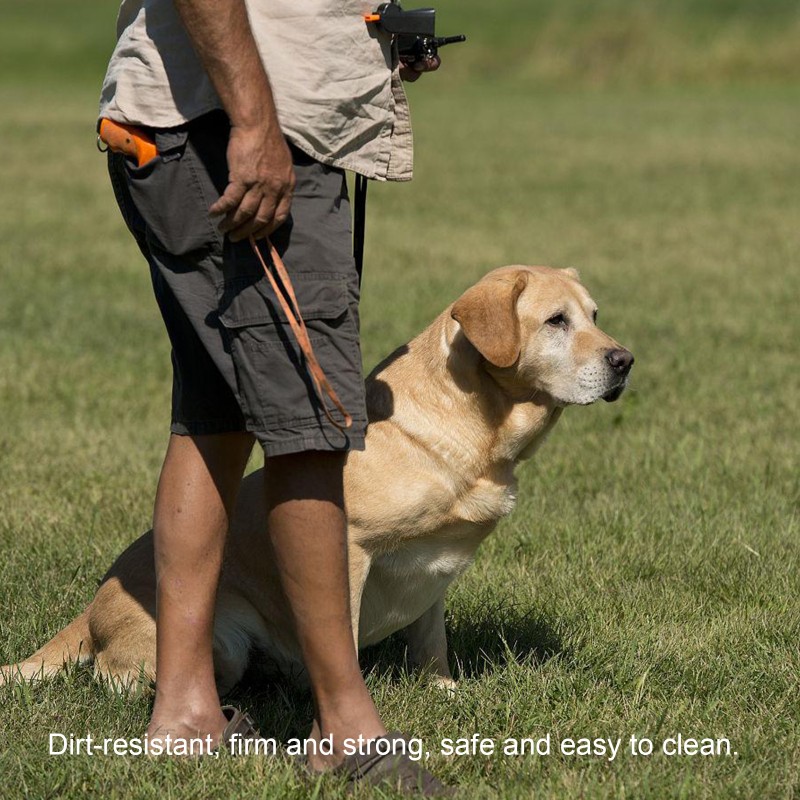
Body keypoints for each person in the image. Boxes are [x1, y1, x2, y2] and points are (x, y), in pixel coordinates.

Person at [99, 0, 445, 792]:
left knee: (215, 420)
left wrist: (370, 35)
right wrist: (256, 123)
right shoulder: (249, 130)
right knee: (311, 426)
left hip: (187, 128)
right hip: (237, 133)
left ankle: (186, 713)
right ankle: (342, 727)